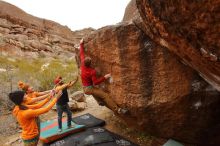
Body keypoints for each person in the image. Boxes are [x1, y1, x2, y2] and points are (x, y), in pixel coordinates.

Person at [79, 39, 128, 114]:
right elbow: (95, 82)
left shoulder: (82, 64)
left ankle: (99, 101)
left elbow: (81, 53)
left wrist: (81, 44)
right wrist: (105, 77)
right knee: (105, 96)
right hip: (89, 88)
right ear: (90, 63)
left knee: (95, 91)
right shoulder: (92, 72)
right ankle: (118, 109)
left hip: (85, 87)